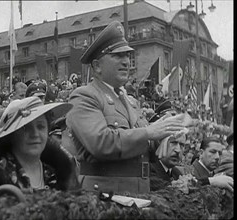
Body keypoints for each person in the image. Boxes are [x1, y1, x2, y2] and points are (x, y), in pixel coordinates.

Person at [65, 21, 186, 194]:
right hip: (104, 197)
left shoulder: (128, 101)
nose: (126, 62)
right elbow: (101, 143)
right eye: (118, 56)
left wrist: (164, 132)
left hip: (137, 194)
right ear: (97, 66)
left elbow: (144, 149)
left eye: (128, 56)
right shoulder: (85, 96)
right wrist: (149, 132)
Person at [0, 96, 79, 203]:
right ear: (12, 135)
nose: (35, 134)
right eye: (26, 128)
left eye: (40, 126)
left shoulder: (62, 172)